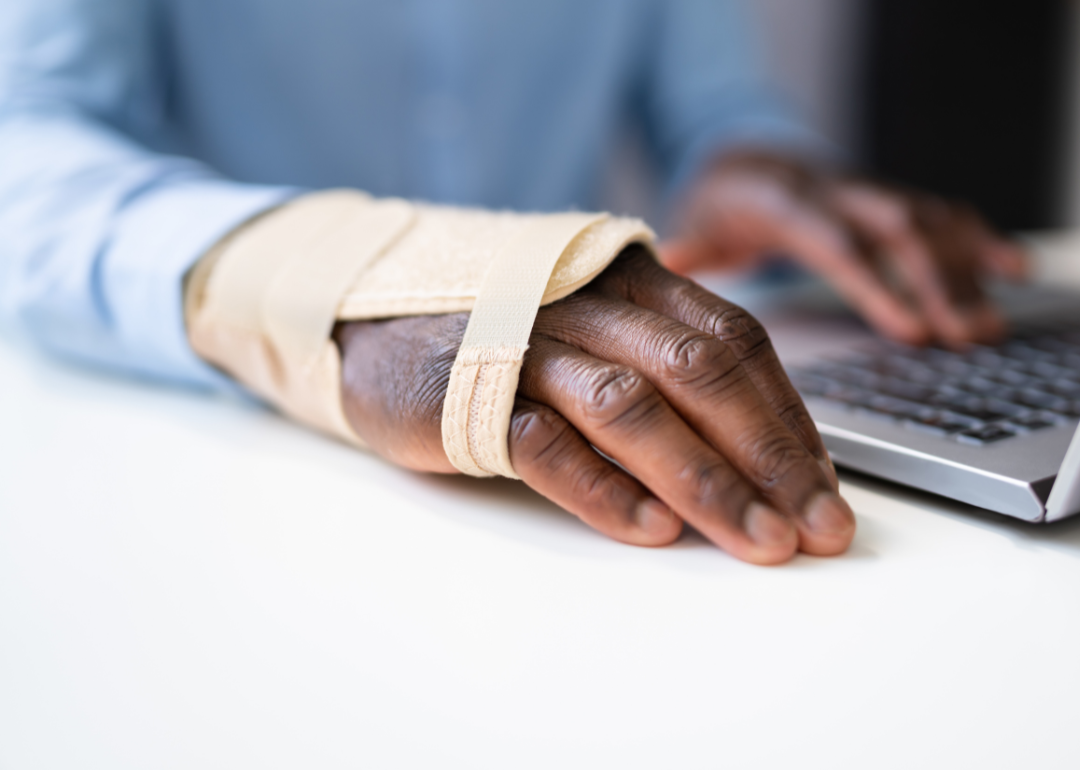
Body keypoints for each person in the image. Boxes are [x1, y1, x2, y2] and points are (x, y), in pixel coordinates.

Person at [0, 0, 1026, 564]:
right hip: (198, 490)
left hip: (584, 457)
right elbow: (25, 149)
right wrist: (351, 285)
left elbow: (713, 103)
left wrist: (749, 157)